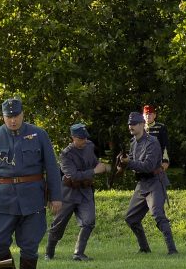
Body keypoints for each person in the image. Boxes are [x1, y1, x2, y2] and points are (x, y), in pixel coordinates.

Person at [0, 97, 62, 269]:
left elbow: (52, 167)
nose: (13, 120)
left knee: (29, 245)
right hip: (4, 200)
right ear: (3, 117)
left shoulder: (39, 135)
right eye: (9, 117)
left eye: (16, 116)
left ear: (23, 114)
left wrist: (56, 197)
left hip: (33, 199)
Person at [45, 123, 109, 261]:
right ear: (73, 138)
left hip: (85, 191)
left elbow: (94, 162)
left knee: (89, 221)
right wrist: (94, 171)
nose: (84, 140)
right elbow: (73, 175)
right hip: (68, 192)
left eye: (85, 138)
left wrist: (100, 166)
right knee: (58, 224)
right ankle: (49, 253)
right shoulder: (66, 154)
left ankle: (78, 253)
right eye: (80, 138)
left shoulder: (90, 146)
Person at [121, 112, 178, 255]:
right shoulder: (133, 142)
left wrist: (129, 163)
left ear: (142, 124)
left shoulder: (152, 142)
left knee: (158, 215)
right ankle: (144, 248)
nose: (131, 126)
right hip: (142, 183)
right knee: (131, 218)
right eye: (129, 124)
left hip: (155, 182)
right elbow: (133, 160)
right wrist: (123, 163)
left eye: (134, 124)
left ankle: (172, 250)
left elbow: (148, 166)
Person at [143, 105, 170, 171]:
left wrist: (165, 160)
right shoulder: (139, 127)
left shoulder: (161, 127)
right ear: (143, 115)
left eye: (150, 114)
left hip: (157, 161)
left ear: (154, 115)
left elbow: (165, 145)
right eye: (146, 114)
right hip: (142, 161)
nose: (148, 116)